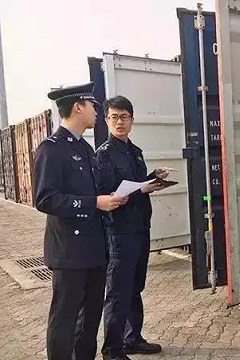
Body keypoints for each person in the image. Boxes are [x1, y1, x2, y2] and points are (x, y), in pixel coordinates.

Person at [34, 82, 128, 360]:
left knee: (89, 320)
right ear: (78, 107)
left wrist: (110, 198)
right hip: (69, 252)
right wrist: (94, 203)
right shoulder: (52, 149)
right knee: (64, 319)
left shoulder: (85, 149)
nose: (97, 111)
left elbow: (90, 192)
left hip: (94, 248)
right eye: (93, 106)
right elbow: (45, 199)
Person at [96, 95, 169, 360]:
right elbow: (106, 194)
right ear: (106, 121)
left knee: (134, 286)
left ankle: (132, 338)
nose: (119, 122)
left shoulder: (135, 152)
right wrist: (141, 190)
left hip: (140, 228)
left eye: (124, 117)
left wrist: (154, 179)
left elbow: (138, 185)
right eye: (114, 117)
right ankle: (112, 351)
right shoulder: (103, 155)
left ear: (132, 120)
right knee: (117, 291)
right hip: (119, 232)